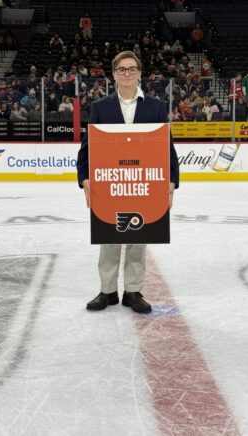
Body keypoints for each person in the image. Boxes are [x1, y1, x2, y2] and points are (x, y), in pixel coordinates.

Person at [77, 50, 179, 314]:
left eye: (131, 69)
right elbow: (86, 149)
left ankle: (133, 291)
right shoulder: (100, 107)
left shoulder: (155, 106)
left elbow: (167, 148)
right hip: (110, 183)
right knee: (108, 235)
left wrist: (172, 181)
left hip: (143, 183)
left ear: (140, 73)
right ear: (113, 74)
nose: (127, 73)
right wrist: (85, 178)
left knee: (138, 236)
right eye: (121, 69)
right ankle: (108, 291)